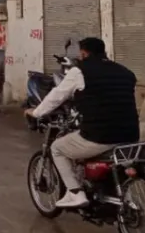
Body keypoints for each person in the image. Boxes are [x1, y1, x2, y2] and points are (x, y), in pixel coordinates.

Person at [25, 37, 139, 208]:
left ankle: (75, 193)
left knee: (57, 148)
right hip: (130, 134)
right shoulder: (126, 72)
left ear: (84, 53)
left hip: (101, 136)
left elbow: (57, 96)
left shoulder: (80, 71)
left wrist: (36, 112)